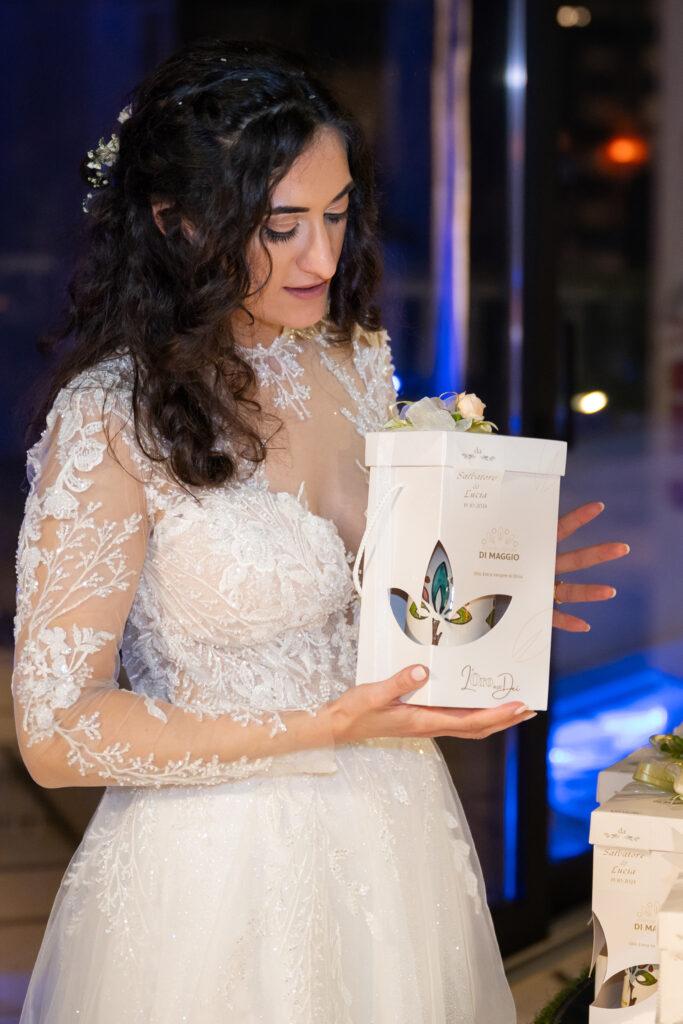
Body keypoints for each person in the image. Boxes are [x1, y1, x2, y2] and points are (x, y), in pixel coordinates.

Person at [12, 39, 627, 1023]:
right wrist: (322, 728)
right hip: (215, 879)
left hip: (397, 840)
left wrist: (481, 593)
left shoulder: (354, 359)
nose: (324, 258)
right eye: (282, 225)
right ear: (174, 221)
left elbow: (372, 591)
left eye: (337, 214)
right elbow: (56, 733)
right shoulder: (111, 418)